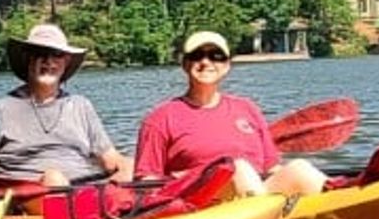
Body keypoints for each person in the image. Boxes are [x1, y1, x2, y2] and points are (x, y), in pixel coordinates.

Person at [133, 30, 326, 197]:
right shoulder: (160, 119)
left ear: (226, 66)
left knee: (300, 169)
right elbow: (146, 185)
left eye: (216, 56)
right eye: (197, 55)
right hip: (200, 205)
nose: (206, 62)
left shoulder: (247, 108)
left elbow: (271, 168)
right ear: (185, 64)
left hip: (256, 196)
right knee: (237, 169)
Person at [0, 23, 133, 188]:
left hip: (84, 191)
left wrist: (129, 167)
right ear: (28, 59)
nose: (48, 61)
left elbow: (110, 160)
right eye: (40, 53)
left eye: (56, 54)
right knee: (53, 178)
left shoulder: (81, 106)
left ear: (65, 62)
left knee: (133, 166)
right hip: (28, 198)